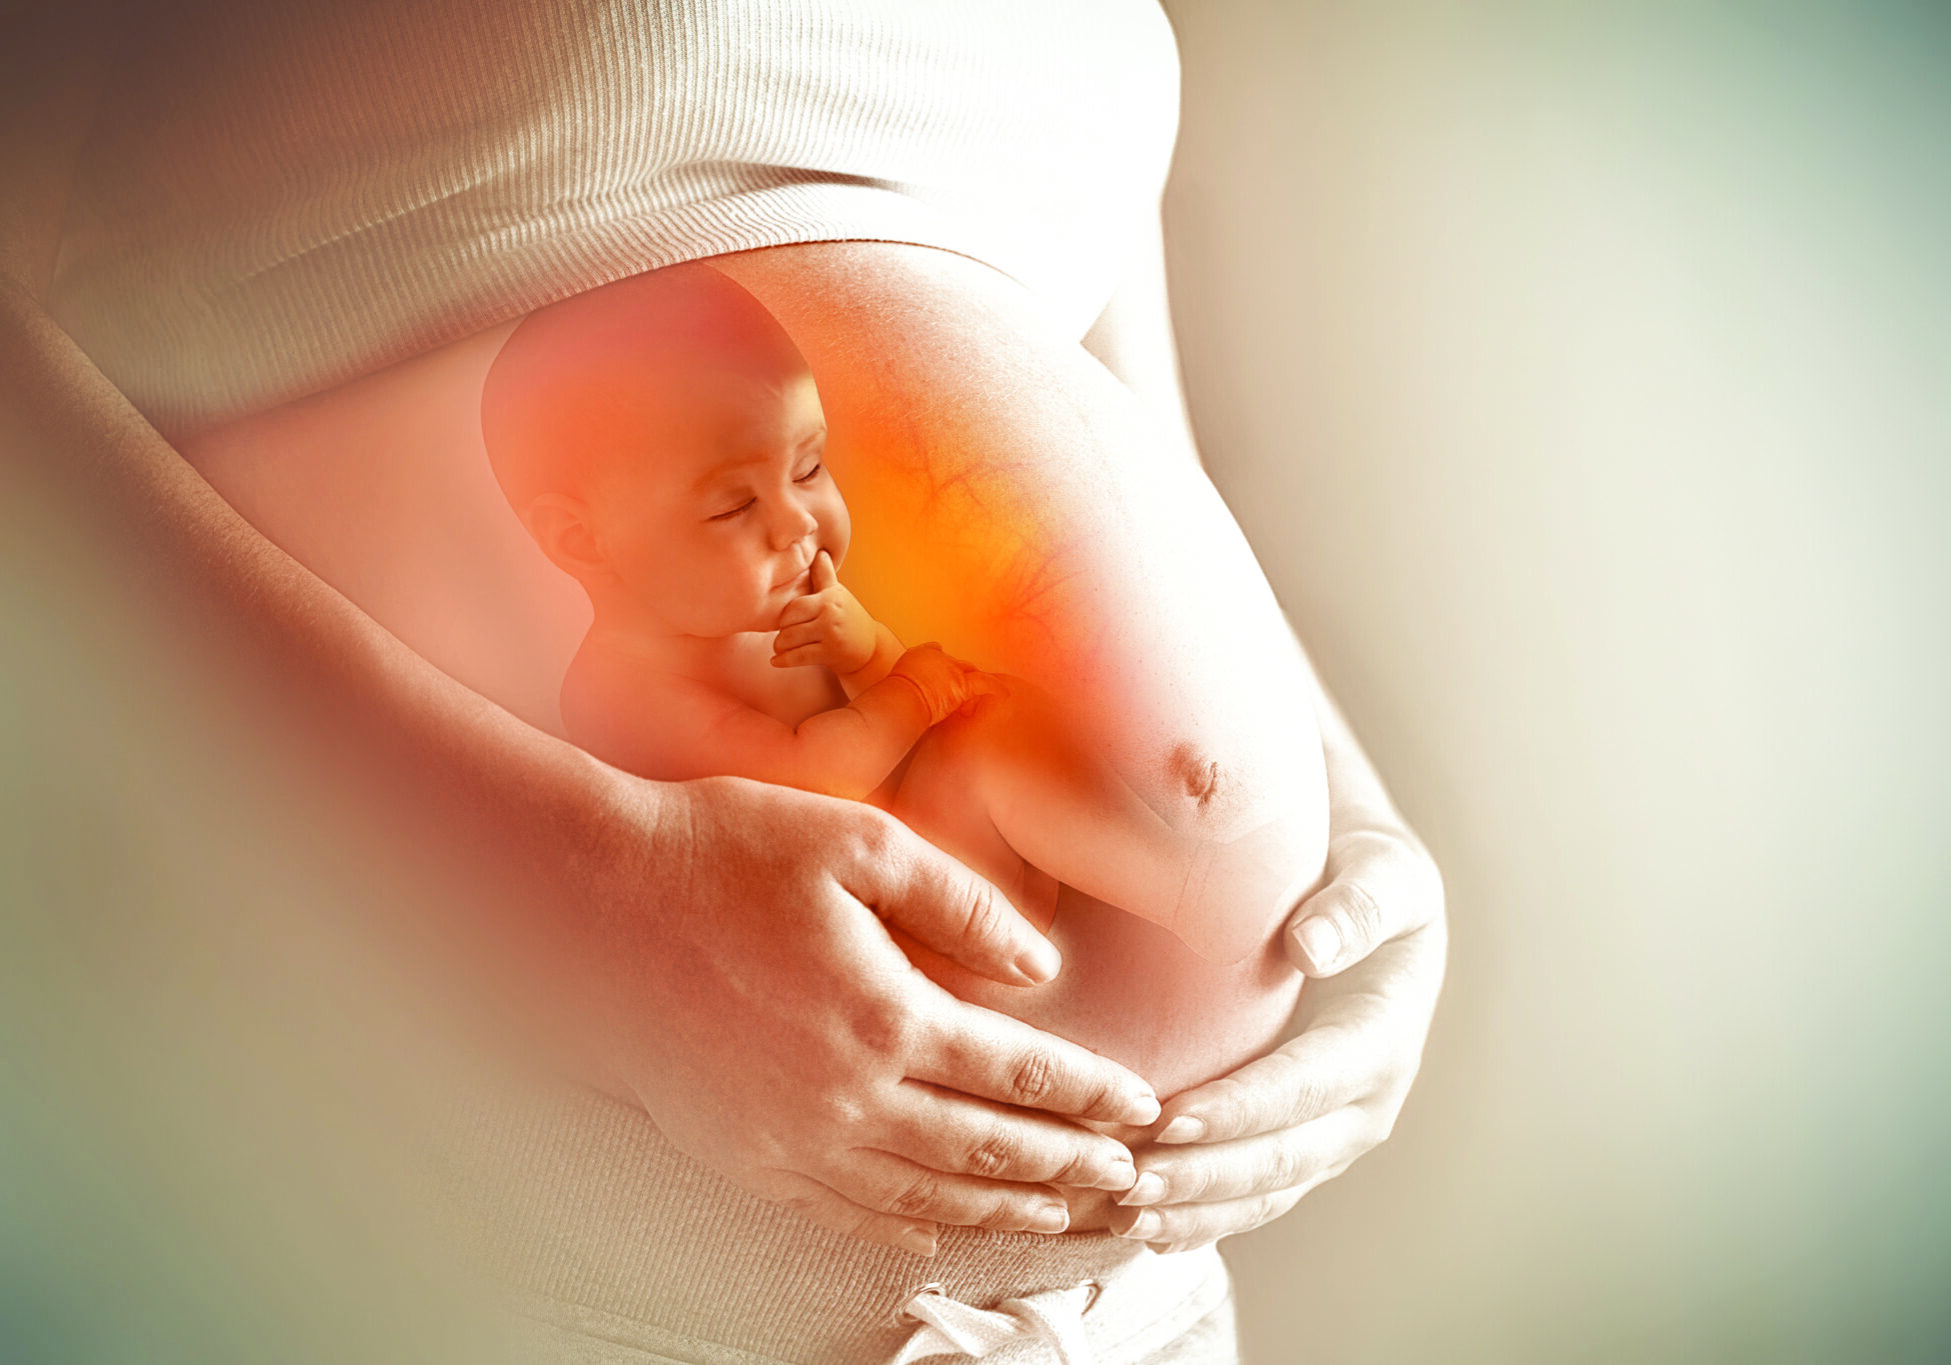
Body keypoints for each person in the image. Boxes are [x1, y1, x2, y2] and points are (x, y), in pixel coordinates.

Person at [1, 2, 1448, 1360]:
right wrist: (585, 886)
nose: (804, 529)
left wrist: (1342, 850)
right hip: (538, 1262)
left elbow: (1114, 419)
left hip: (1131, 1304)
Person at [479, 262, 1323, 967]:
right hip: (876, 931)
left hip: (937, 872)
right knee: (977, 757)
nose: (797, 522)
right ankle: (1186, 890)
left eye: (809, 467)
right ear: (581, 540)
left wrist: (865, 653)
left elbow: (881, 703)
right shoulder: (624, 689)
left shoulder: (771, 606)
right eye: (731, 508)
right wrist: (913, 689)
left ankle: (1166, 874)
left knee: (994, 721)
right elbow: (810, 779)